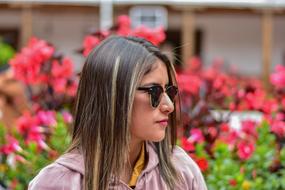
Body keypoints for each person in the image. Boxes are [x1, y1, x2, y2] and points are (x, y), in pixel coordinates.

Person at [28, 36, 207, 190]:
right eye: (154, 91)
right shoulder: (57, 183)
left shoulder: (180, 171)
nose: (169, 106)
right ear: (114, 95)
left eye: (170, 91)